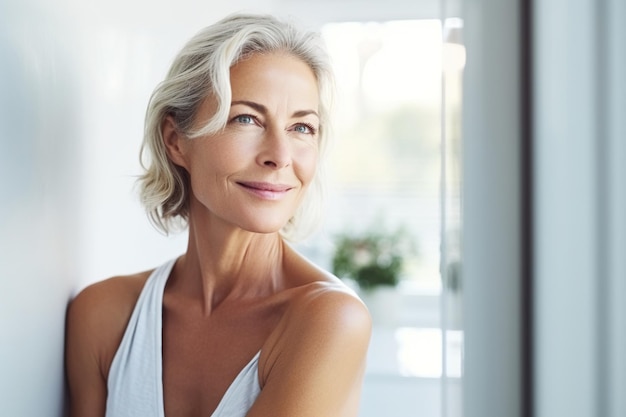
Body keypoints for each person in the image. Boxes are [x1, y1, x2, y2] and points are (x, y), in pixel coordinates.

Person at [65, 12, 372, 417]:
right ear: (176, 141)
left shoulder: (328, 321)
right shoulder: (105, 315)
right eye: (246, 119)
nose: (280, 157)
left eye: (302, 128)